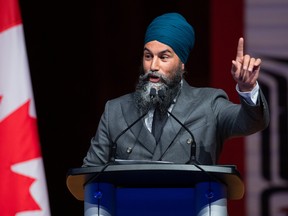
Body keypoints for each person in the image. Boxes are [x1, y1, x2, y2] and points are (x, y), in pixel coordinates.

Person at [82, 12, 269, 166]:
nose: (153, 65)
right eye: (148, 56)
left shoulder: (209, 105)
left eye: (164, 57)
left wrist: (248, 88)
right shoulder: (115, 111)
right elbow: (88, 174)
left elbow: (252, 122)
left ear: (182, 65)